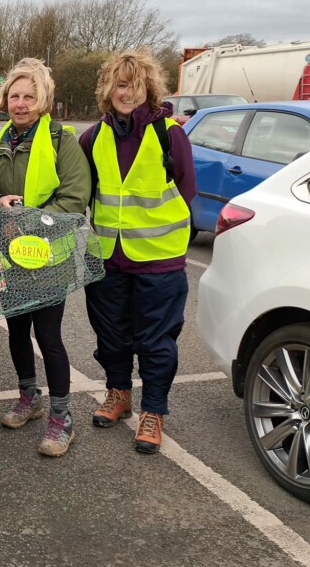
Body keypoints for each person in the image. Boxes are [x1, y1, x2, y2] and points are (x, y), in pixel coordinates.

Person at [78, 50, 196, 455]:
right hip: (109, 257)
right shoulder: (93, 137)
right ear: (108, 90)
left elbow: (186, 188)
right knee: (111, 335)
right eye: (120, 85)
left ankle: (153, 411)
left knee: (156, 341)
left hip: (159, 259)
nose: (126, 93)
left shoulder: (170, 133)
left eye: (134, 85)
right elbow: (84, 192)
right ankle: (118, 394)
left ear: (149, 88)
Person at [0, 58, 91, 457]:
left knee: (48, 337)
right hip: (10, 260)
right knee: (16, 334)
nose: (21, 103)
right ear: (5, 100)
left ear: (43, 99)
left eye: (30, 96)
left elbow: (74, 200)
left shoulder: (63, 142)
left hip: (48, 259)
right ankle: (29, 397)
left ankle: (62, 417)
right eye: (14, 95)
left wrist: (28, 215)